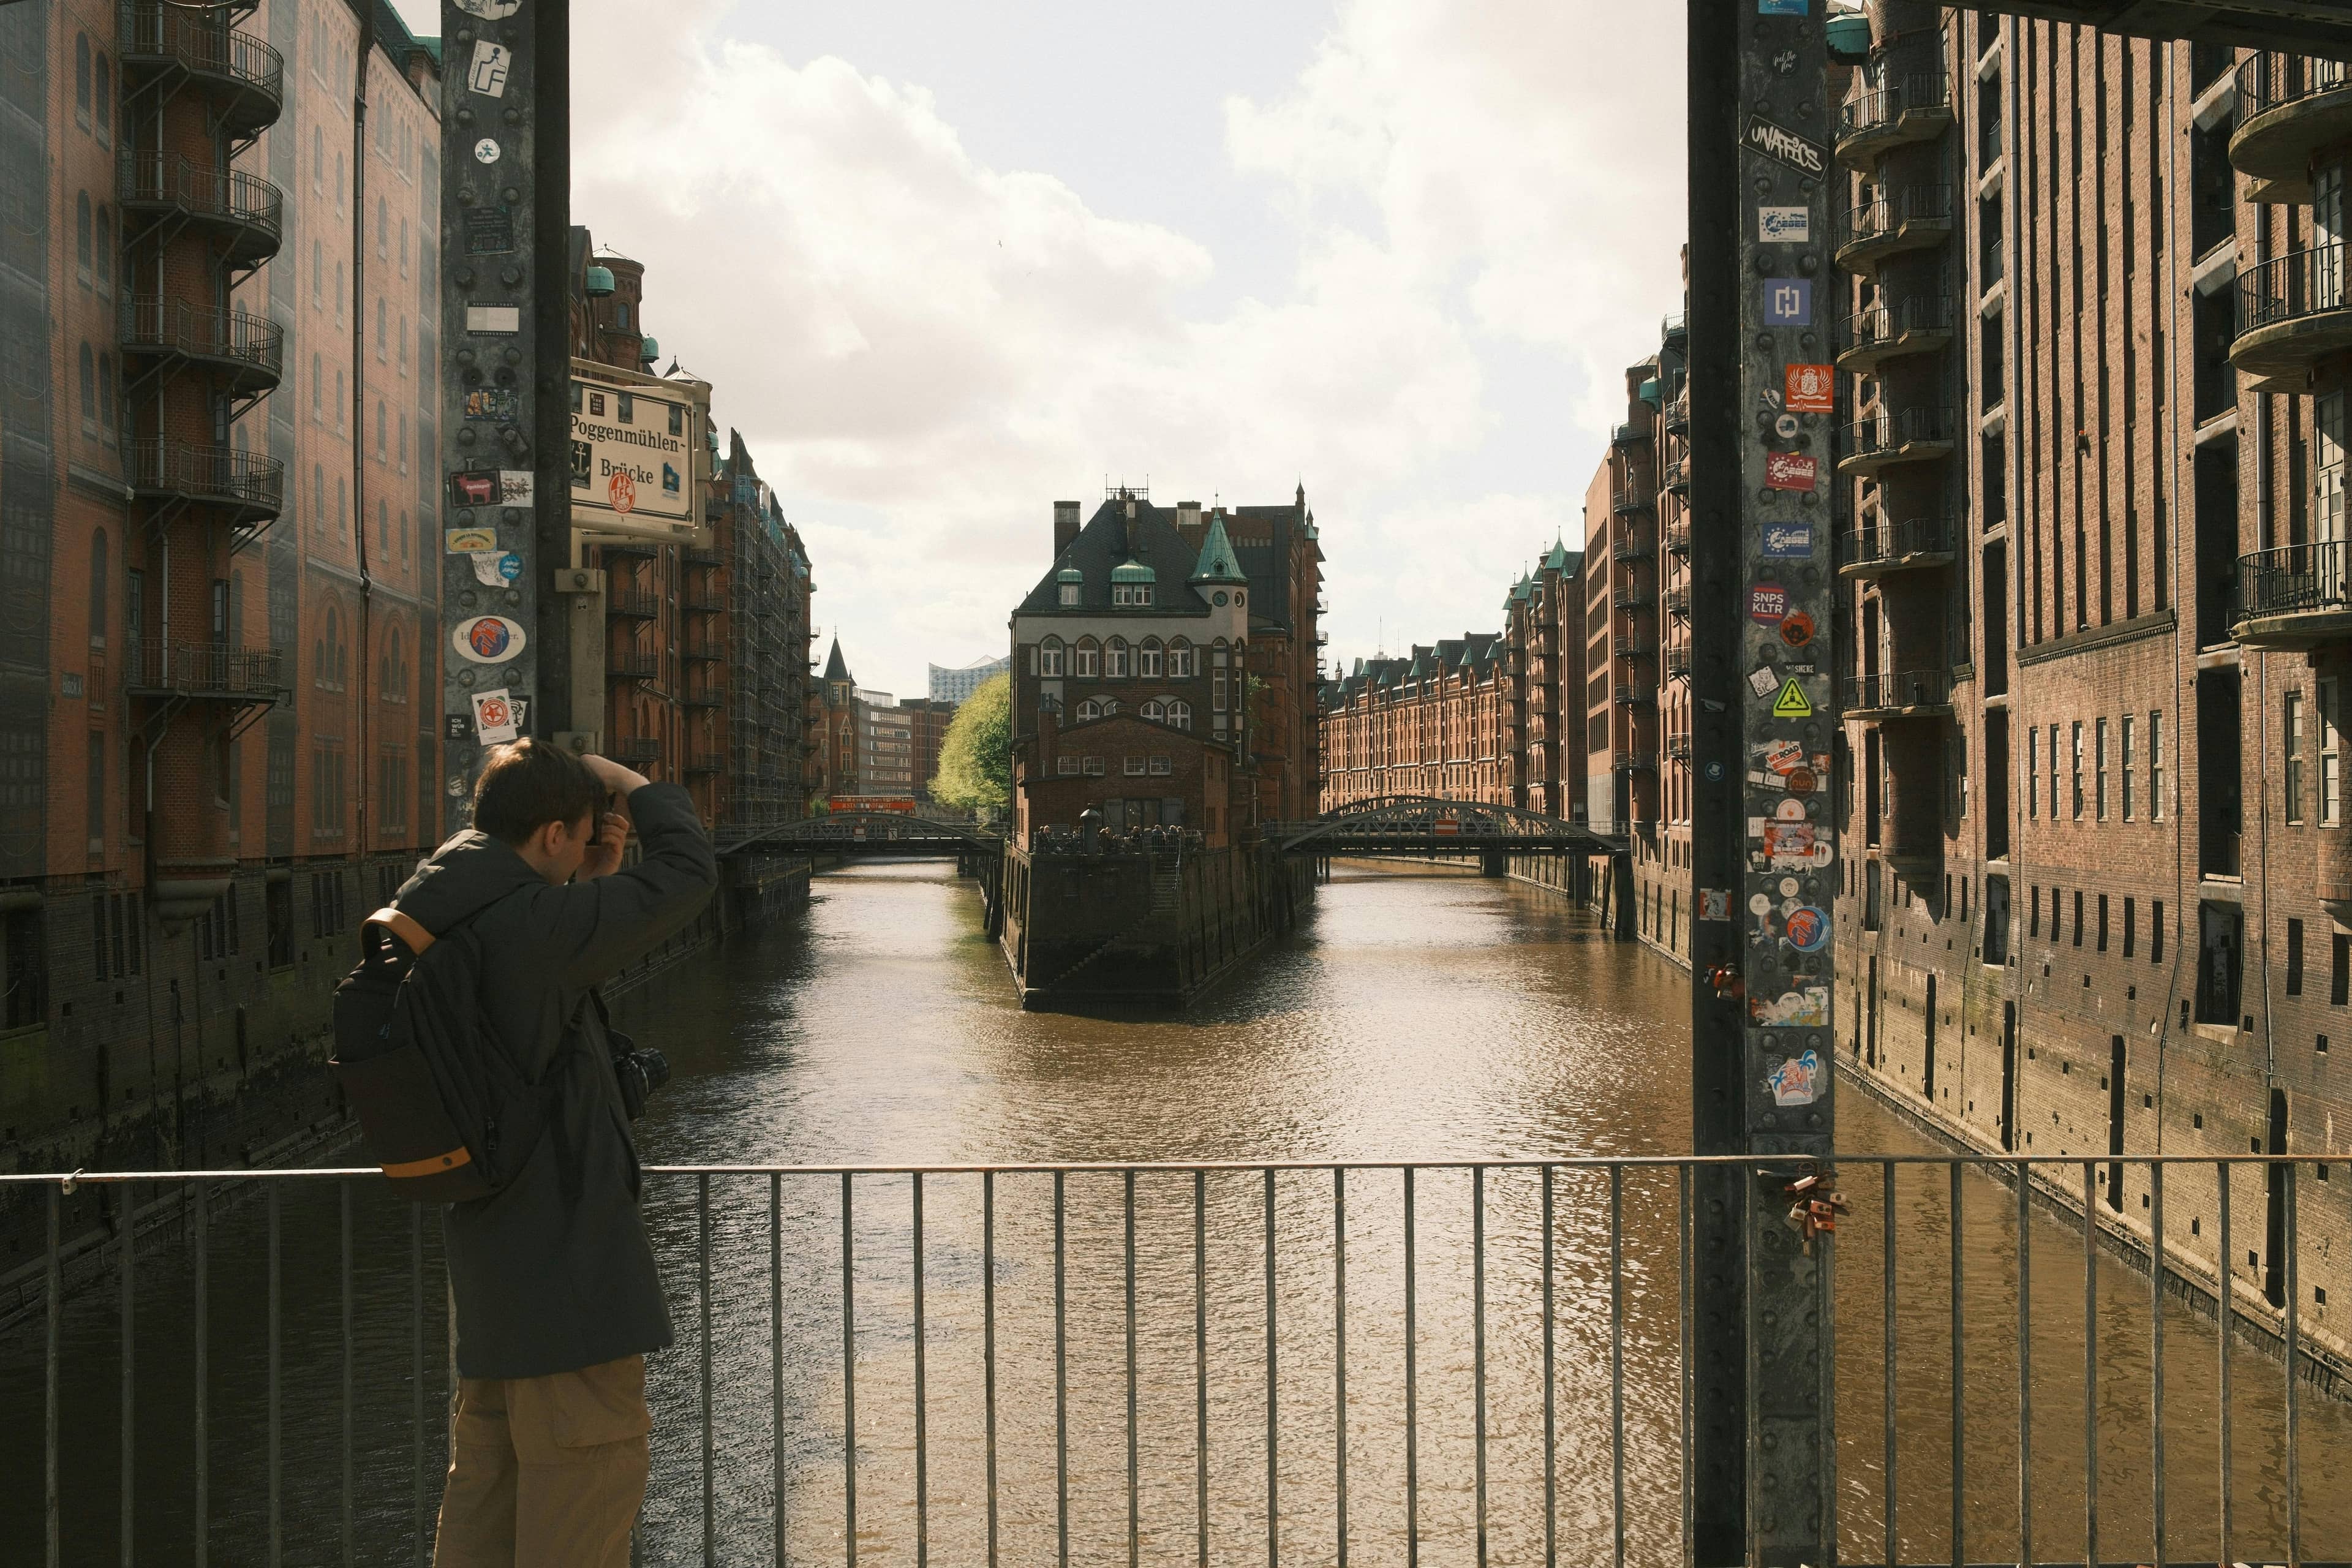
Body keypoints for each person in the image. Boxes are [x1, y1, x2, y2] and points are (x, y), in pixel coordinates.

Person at [392, 739, 717, 1567]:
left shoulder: (443, 905)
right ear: (549, 837)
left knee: (490, 1492)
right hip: (566, 1264)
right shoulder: (530, 929)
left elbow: (529, 1019)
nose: (582, 848)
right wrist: (639, 788)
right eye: (577, 835)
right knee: (588, 1476)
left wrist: (580, 881)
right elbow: (688, 874)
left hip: (494, 1264)